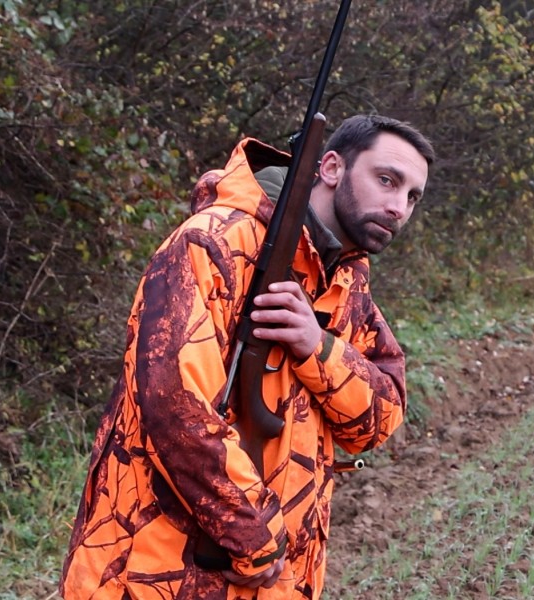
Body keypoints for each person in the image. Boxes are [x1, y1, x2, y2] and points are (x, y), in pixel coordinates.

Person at [59, 114, 435, 599]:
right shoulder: (213, 244)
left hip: (274, 578)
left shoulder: (345, 282)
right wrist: (254, 536)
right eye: (387, 180)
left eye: (412, 197)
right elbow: (174, 404)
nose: (397, 207)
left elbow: (378, 421)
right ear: (332, 167)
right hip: (160, 571)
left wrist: (315, 348)